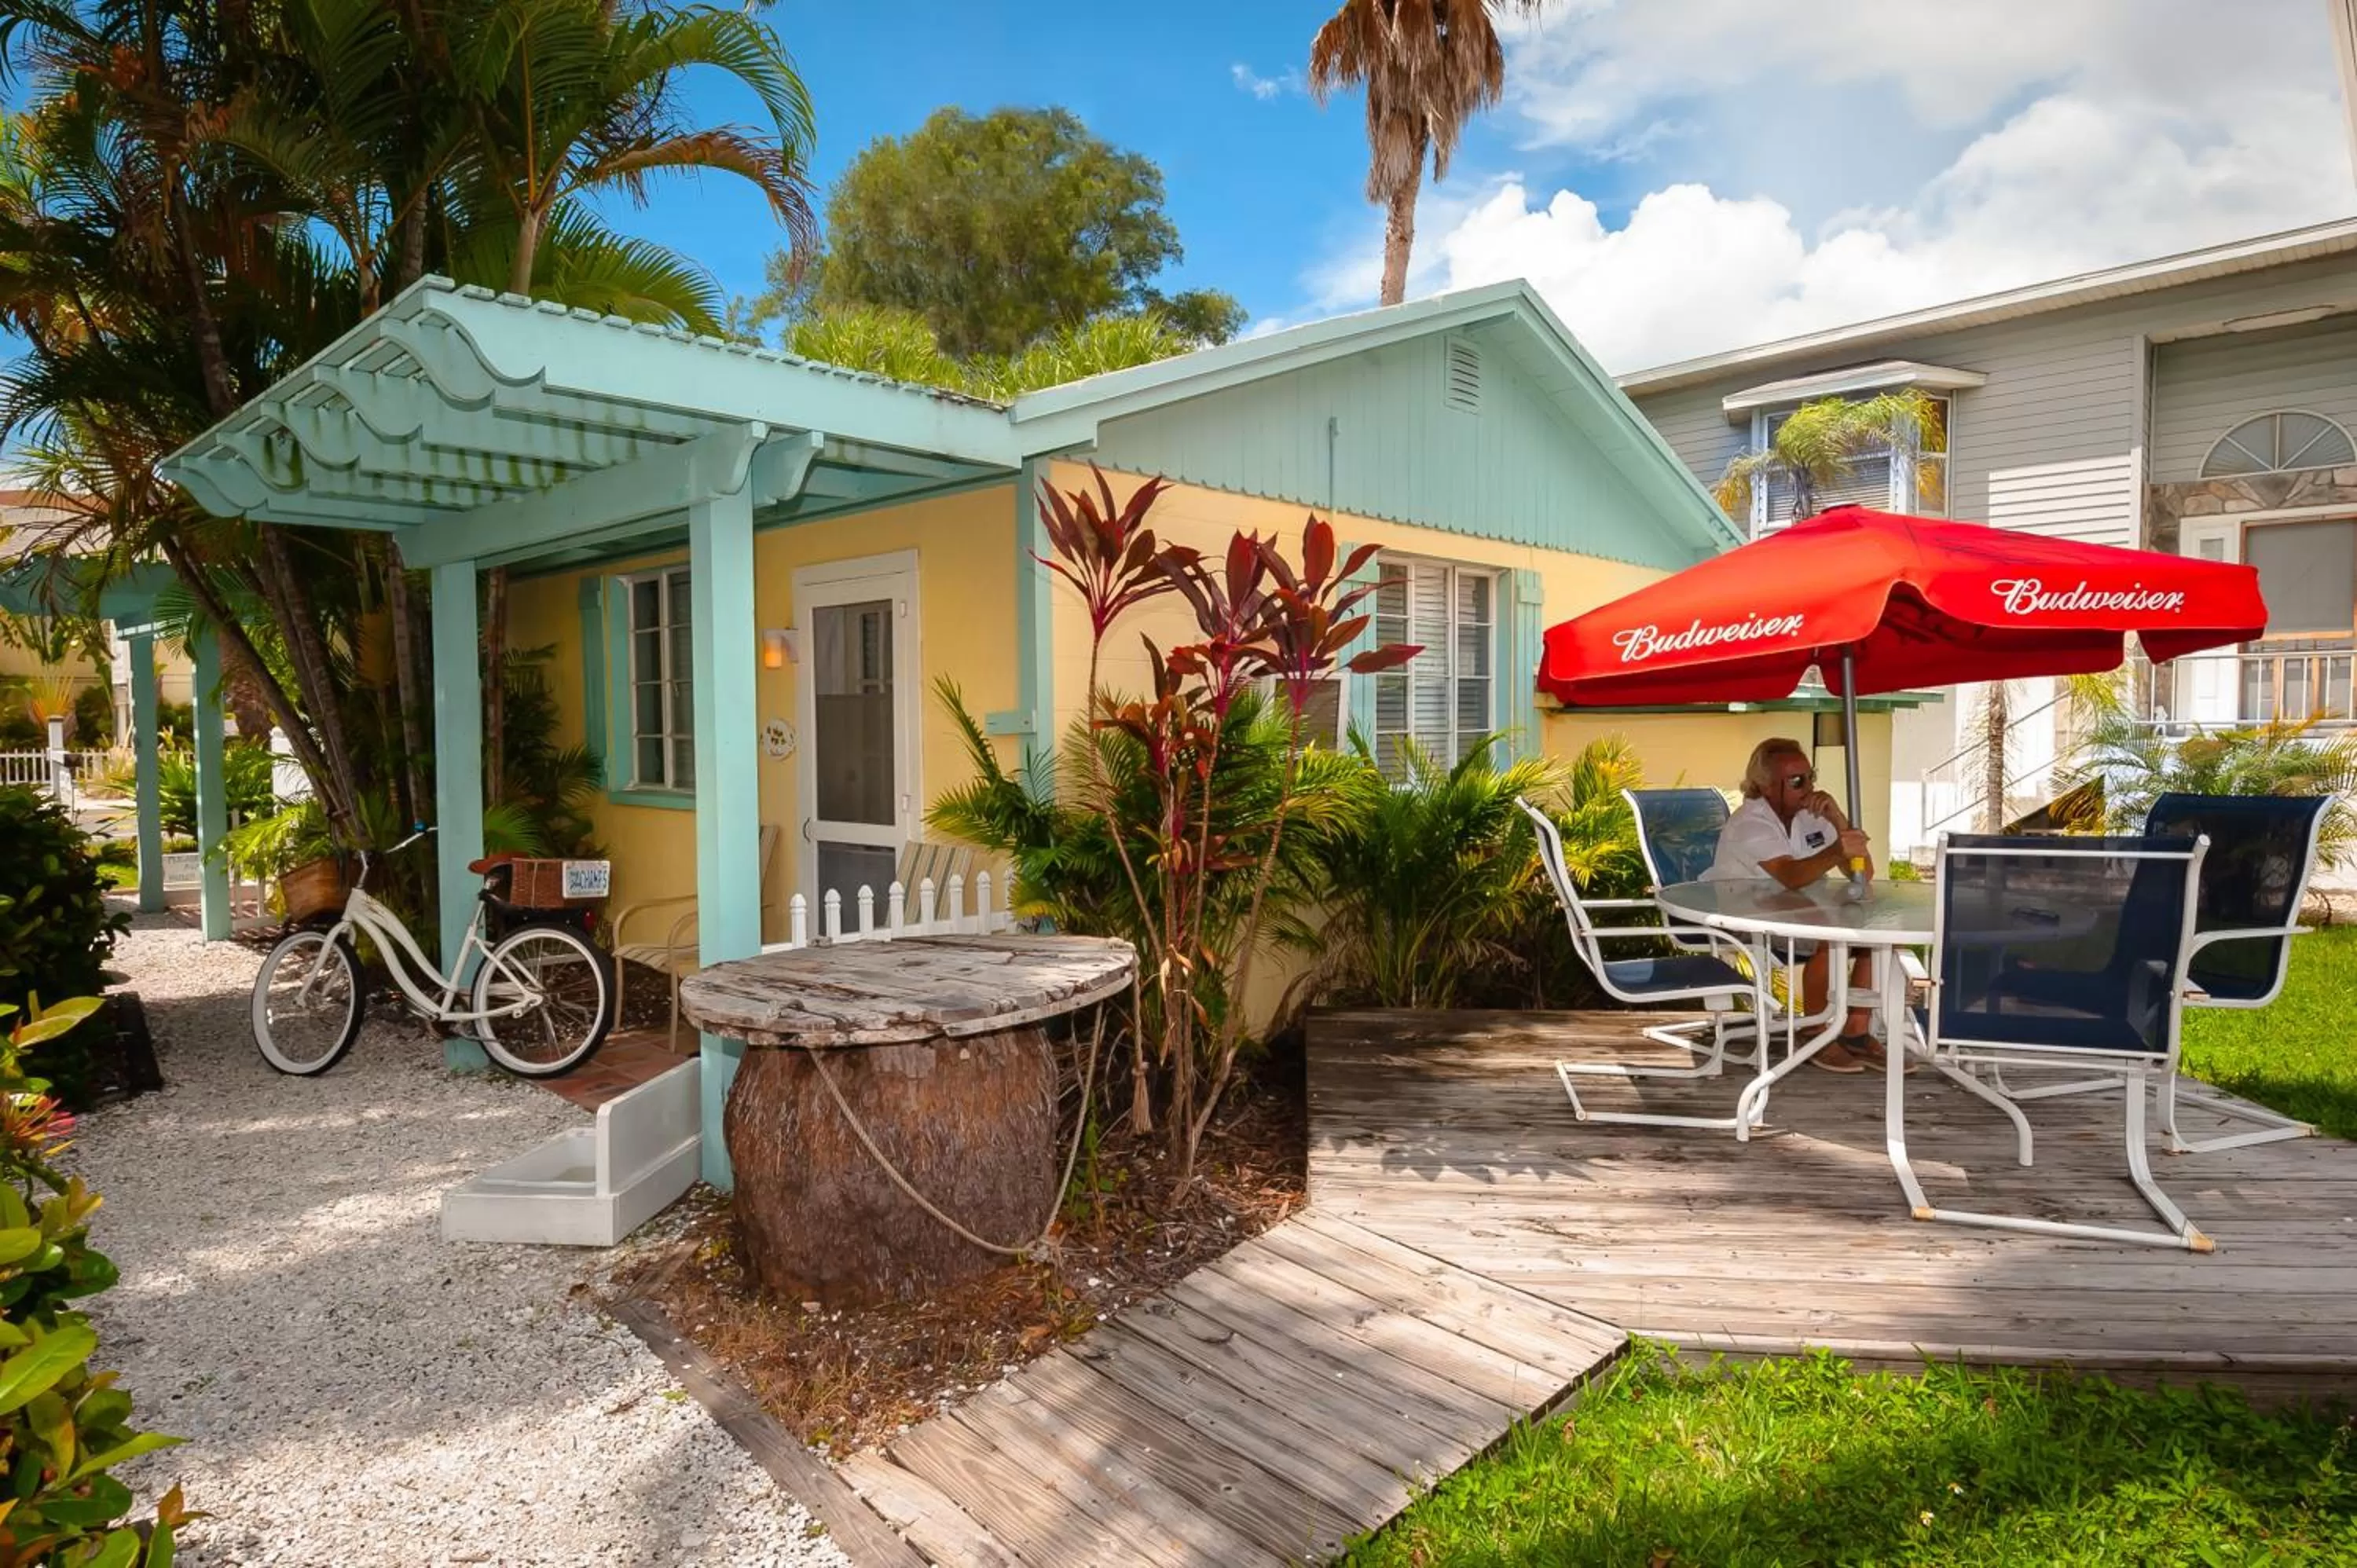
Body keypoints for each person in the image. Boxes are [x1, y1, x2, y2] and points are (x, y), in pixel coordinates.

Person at [1703, 737, 1881, 1072]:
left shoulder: (1811, 816)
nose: (1809, 787)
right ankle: (1816, 1034)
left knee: (1875, 937)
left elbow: (1865, 873)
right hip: (1747, 918)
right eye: (1797, 781)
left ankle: (1856, 1033)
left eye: (1810, 776)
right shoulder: (1750, 823)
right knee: (1829, 934)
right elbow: (1792, 876)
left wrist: (1840, 821)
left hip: (1796, 911)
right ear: (1766, 786)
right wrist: (1837, 850)